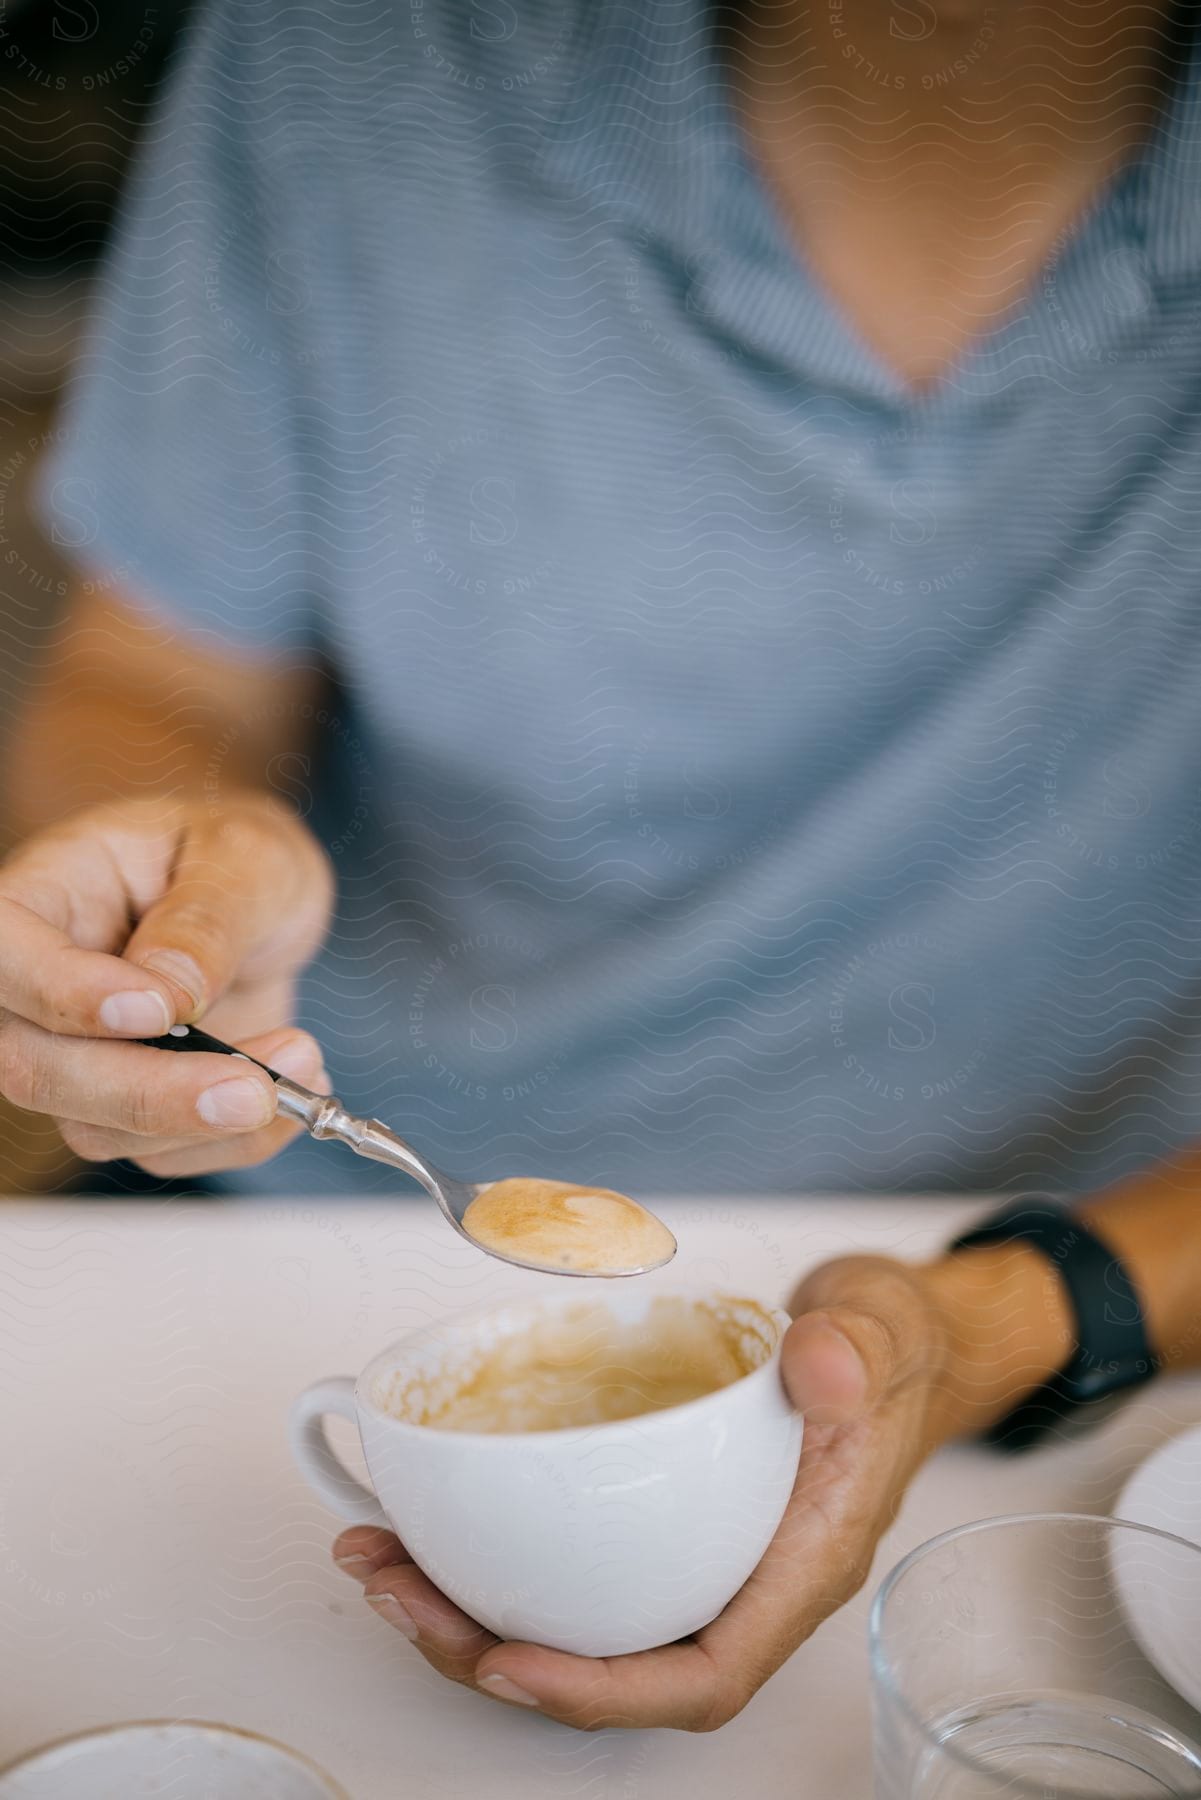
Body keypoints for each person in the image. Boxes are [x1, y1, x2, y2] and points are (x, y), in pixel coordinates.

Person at [2, 0, 1200, 1731]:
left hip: (1078, 1268)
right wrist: (193, 848)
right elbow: (157, 672)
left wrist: (1008, 1321)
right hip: (285, 1205)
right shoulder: (353, 56)